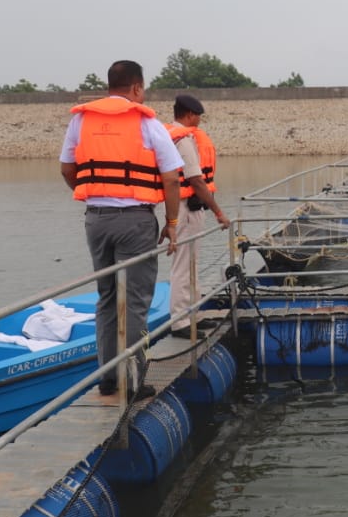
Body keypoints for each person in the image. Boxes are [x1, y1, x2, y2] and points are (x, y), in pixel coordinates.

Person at [60, 60, 183, 403]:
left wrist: (91, 191)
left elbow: (67, 168)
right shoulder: (147, 121)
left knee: (107, 297)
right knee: (137, 302)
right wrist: (172, 224)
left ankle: (107, 378)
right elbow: (172, 177)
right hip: (136, 220)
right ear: (137, 88)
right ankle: (134, 379)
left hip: (96, 219)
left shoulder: (81, 120)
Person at [166, 94, 230, 337]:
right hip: (185, 208)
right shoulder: (183, 139)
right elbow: (196, 180)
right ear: (190, 115)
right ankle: (180, 322)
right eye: (199, 116)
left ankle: (194, 313)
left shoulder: (170, 134)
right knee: (184, 266)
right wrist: (218, 212)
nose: (200, 120)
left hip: (184, 206)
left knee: (191, 263)